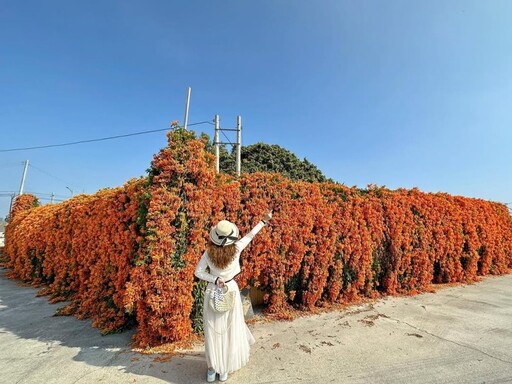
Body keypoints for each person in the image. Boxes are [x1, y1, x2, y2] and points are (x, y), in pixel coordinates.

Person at [194, 211, 273, 382]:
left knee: (212, 329)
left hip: (213, 290)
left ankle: (212, 368)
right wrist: (263, 221)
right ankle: (224, 370)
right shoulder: (236, 248)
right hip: (230, 289)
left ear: (215, 237)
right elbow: (250, 236)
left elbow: (198, 272)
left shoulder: (208, 253)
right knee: (229, 328)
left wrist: (215, 279)